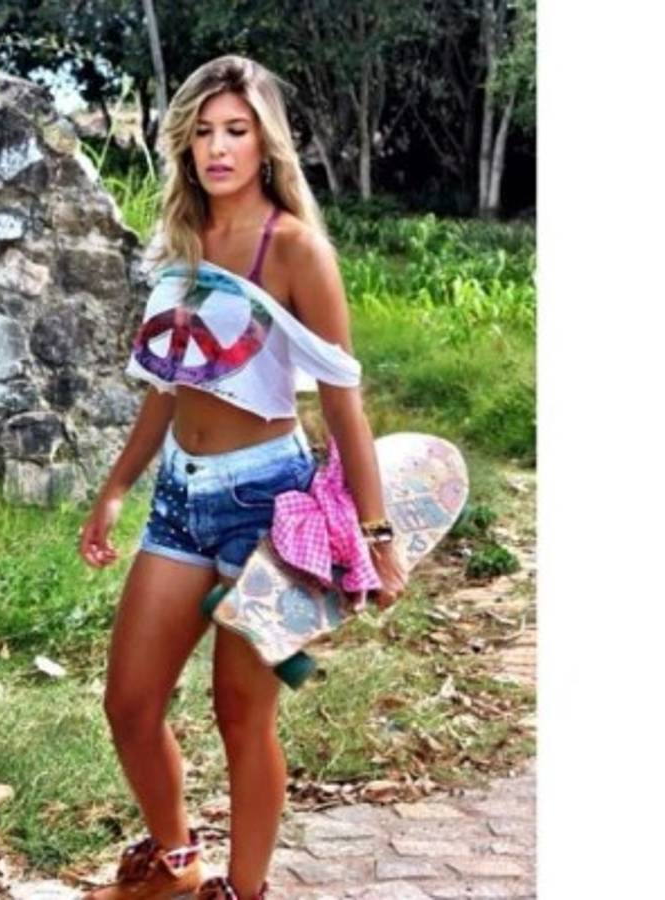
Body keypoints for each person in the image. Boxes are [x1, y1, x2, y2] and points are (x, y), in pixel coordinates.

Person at [78, 54, 408, 900]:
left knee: (241, 713)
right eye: (203, 133)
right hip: (180, 500)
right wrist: (116, 487)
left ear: (267, 144)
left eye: (236, 130)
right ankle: (176, 862)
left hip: (267, 508)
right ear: (184, 147)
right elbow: (167, 384)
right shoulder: (179, 244)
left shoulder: (295, 248)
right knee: (130, 704)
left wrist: (376, 533)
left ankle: (244, 891)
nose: (218, 148)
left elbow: (343, 401)